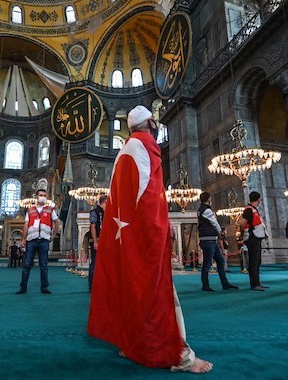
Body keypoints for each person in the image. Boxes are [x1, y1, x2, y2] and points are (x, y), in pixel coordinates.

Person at [88, 105, 212, 374]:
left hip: (126, 237)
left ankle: (131, 344)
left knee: (134, 290)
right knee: (159, 293)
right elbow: (149, 199)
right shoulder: (145, 148)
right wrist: (162, 229)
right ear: (151, 125)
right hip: (143, 237)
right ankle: (181, 356)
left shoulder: (124, 152)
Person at [15, 189, 60, 294]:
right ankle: (23, 287)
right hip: (31, 240)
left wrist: (53, 235)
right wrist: (23, 239)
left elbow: (57, 222)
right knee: (27, 264)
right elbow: (26, 224)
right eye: (41, 195)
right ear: (36, 197)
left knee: (43, 265)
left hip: (44, 240)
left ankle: (44, 287)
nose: (42, 197)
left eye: (44, 195)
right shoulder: (30, 210)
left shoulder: (50, 210)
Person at [197, 192, 238, 291]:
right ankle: (205, 286)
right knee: (207, 264)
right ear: (208, 199)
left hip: (210, 240)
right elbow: (214, 222)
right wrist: (221, 232)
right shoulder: (206, 210)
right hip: (208, 240)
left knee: (220, 261)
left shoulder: (201, 209)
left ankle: (225, 283)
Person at [237, 191, 268, 291]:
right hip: (252, 237)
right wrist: (242, 236)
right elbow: (242, 223)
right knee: (253, 261)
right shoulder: (249, 210)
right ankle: (254, 284)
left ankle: (257, 282)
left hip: (256, 237)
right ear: (258, 199)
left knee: (257, 261)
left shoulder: (253, 210)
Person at [88, 194, 107, 292]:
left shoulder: (108, 213)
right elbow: (93, 227)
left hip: (106, 243)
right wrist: (95, 242)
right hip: (97, 241)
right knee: (94, 264)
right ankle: (92, 287)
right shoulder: (94, 212)